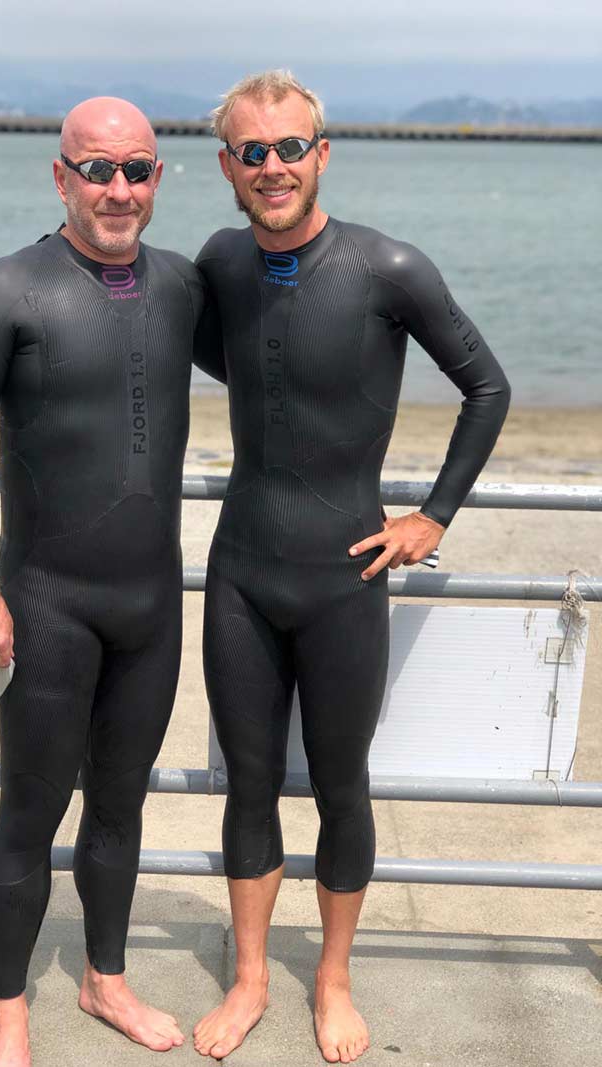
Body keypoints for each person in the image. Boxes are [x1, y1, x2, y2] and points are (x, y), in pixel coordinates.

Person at [192, 70, 511, 1064]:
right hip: (241, 567)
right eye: (255, 151)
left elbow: (486, 386)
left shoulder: (388, 269)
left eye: (292, 147)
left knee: (341, 785)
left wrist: (433, 515)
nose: (274, 166)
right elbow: (222, 354)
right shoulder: (219, 262)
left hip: (344, 575)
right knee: (247, 783)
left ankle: (329, 978)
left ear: (321, 154)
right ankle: (249, 976)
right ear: (229, 168)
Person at [0, 97, 205, 1066]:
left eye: (136, 169)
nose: (117, 189)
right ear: (60, 176)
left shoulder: (179, 285)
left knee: (121, 805)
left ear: (159, 178)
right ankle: (9, 1013)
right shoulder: (7, 287)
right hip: (43, 602)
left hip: (150, 605)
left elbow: (287, 369)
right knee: (30, 808)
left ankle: (104, 977)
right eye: (97, 169)